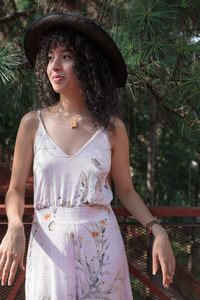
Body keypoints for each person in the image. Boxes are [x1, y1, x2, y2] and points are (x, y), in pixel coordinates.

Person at [0, 12, 175, 299]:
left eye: (66, 56)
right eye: (49, 57)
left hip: (102, 247)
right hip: (49, 249)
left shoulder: (112, 128)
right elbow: (16, 189)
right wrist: (15, 225)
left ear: (87, 63)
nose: (54, 66)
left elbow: (127, 191)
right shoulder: (32, 124)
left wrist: (157, 229)